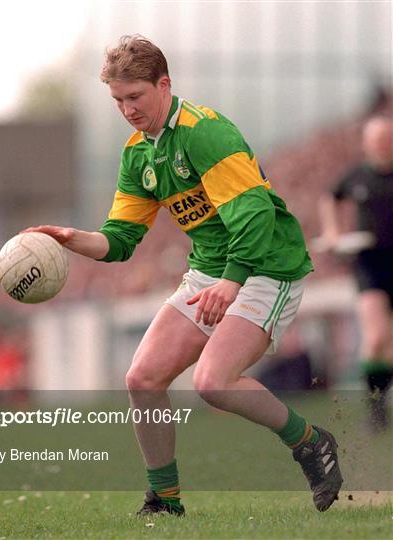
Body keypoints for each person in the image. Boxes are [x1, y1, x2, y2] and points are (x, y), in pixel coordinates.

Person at [24, 35, 342, 514]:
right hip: (210, 270)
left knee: (213, 383)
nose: (127, 110)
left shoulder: (204, 131)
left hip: (266, 265)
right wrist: (74, 240)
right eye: (117, 100)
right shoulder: (138, 154)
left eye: (136, 97)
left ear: (164, 84)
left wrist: (231, 282)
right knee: (143, 378)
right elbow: (121, 239)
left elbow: (254, 215)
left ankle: (311, 442)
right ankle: (164, 501)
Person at [319, 116, 393, 431]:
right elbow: (330, 198)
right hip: (369, 265)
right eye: (376, 139)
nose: (382, 144)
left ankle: (382, 394)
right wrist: (333, 231)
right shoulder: (357, 176)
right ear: (366, 143)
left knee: (388, 346)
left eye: (387, 138)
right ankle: (376, 407)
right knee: (375, 337)